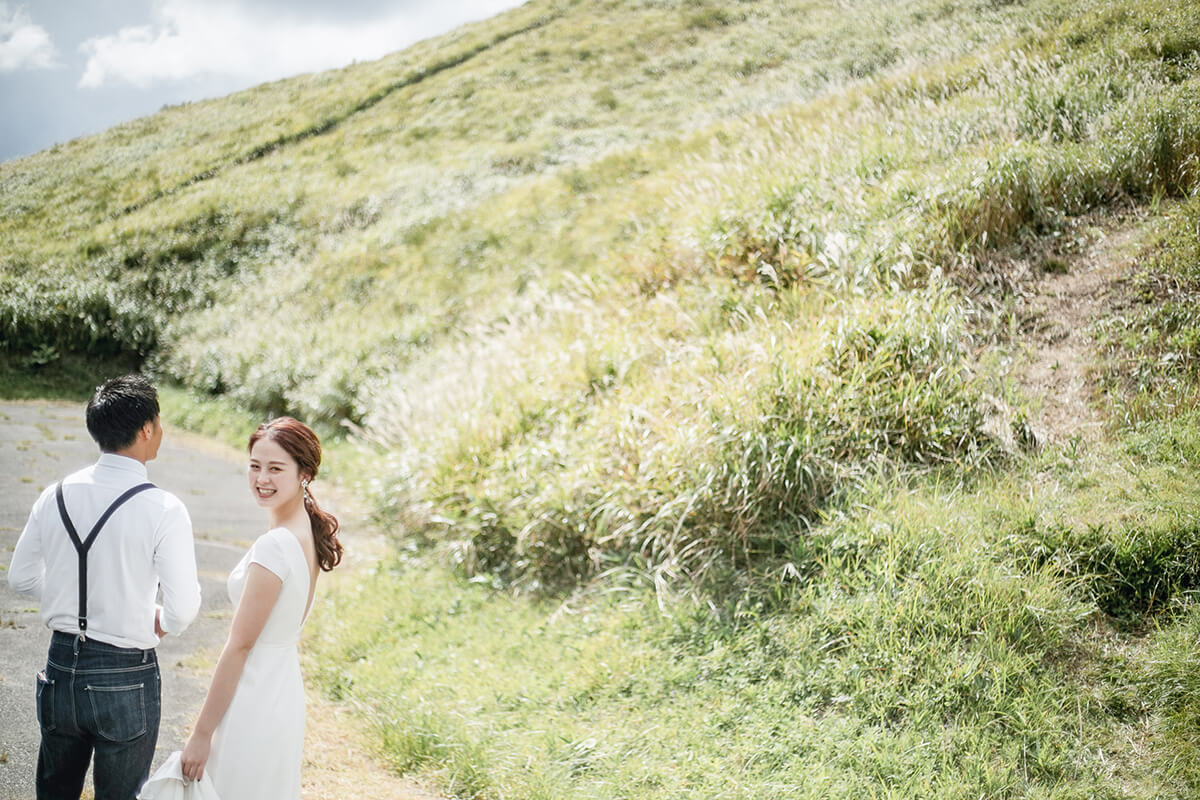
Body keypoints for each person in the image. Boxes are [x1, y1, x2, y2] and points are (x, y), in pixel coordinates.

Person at [8, 374, 203, 800]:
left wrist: (69, 599)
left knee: (54, 792)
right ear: (148, 428)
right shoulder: (164, 508)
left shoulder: (54, 494)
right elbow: (183, 609)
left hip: (59, 667)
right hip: (124, 674)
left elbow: (20, 577)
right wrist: (159, 619)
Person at [176, 416, 342, 798]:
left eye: (275, 468)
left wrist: (201, 734)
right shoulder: (304, 534)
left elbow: (240, 645)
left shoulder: (277, 544)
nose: (261, 478)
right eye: (254, 466)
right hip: (281, 689)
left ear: (305, 474)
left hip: (254, 695)